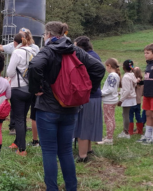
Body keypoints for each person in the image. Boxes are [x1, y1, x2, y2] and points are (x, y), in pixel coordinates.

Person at [28, 21, 105, 191]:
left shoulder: (47, 50)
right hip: (71, 109)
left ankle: (52, 188)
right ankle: (71, 188)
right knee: (66, 151)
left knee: (49, 151)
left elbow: (34, 66)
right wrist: (86, 89)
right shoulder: (76, 51)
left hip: (47, 108)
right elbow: (99, 68)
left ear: (48, 34)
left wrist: (36, 89)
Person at [73, 36, 104, 162]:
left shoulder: (86, 58)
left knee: (83, 126)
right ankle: (88, 149)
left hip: (88, 96)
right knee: (89, 124)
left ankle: (82, 156)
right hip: (95, 95)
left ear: (80, 47)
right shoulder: (94, 55)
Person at [7, 32, 37, 156]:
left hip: (18, 89)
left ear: (15, 43)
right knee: (23, 118)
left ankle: (22, 149)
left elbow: (10, 72)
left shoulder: (17, 52)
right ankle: (17, 142)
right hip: (30, 89)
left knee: (19, 119)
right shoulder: (33, 52)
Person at [98, 58, 121, 145]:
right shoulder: (116, 75)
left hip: (109, 100)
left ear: (109, 66)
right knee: (111, 119)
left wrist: (100, 93)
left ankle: (109, 139)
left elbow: (110, 89)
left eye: (106, 66)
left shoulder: (112, 75)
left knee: (108, 120)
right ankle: (109, 136)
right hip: (112, 99)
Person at [118, 59, 139, 139]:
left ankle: (126, 132)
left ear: (123, 67)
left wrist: (121, 100)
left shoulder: (126, 77)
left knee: (125, 115)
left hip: (127, 98)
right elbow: (130, 88)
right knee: (126, 114)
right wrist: (120, 92)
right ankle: (126, 131)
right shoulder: (132, 75)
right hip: (132, 97)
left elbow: (127, 90)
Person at [134, 67, 145, 135]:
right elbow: (143, 93)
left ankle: (129, 129)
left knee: (131, 115)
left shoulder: (133, 82)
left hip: (132, 101)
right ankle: (140, 129)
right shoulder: (143, 83)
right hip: (139, 101)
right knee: (138, 115)